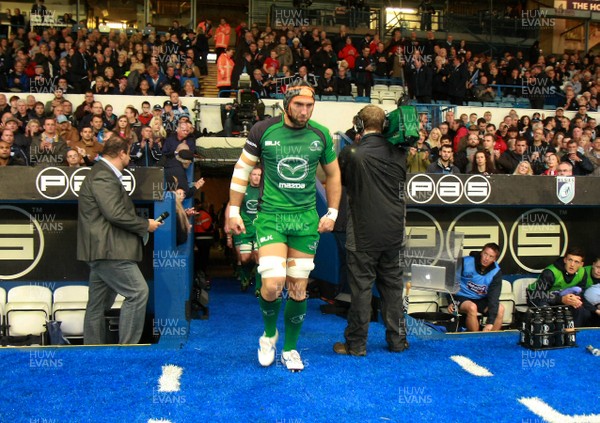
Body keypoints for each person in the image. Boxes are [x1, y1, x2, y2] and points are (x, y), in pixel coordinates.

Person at [228, 80, 341, 372]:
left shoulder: (321, 134)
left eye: (309, 105)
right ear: (286, 103)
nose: (304, 111)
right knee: (272, 285)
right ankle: (269, 335)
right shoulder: (262, 130)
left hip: (305, 220)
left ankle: (290, 348)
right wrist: (233, 210)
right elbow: (242, 169)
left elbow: (334, 174)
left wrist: (332, 212)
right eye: (299, 105)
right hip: (272, 218)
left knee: (298, 289)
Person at [333, 105, 408, 356]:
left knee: (361, 291)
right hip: (394, 233)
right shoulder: (400, 154)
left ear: (359, 125)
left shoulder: (351, 153)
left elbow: (335, 180)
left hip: (363, 234)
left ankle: (356, 345)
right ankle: (398, 342)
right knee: (393, 291)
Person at [77, 135, 163, 344]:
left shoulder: (104, 174)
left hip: (103, 249)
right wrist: (145, 225)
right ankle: (127, 349)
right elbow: (114, 213)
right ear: (121, 153)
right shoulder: (103, 176)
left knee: (98, 304)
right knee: (138, 293)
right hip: (109, 250)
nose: (131, 157)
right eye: (129, 152)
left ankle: (92, 352)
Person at [528, 247, 593, 327]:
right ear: (565, 260)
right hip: (536, 296)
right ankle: (549, 336)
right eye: (570, 260)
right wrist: (561, 299)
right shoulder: (550, 272)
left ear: (581, 264)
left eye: (576, 262)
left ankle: (572, 335)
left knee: (584, 312)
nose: (572, 264)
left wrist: (574, 298)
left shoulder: (582, 272)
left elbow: (581, 290)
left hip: (563, 298)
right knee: (547, 312)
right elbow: (538, 294)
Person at [447, 243, 505, 332]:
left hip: (481, 299)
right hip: (461, 297)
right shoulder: (465, 262)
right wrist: (451, 301)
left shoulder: (496, 271)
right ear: (481, 253)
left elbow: (494, 296)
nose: (486, 258)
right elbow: (449, 280)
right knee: (472, 307)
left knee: (500, 309)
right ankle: (476, 339)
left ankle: (491, 339)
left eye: (491, 256)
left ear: (494, 259)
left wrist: (490, 322)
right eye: (485, 254)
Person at [228, 167, 262, 292]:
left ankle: (259, 288)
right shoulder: (243, 190)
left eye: (259, 175)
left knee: (259, 256)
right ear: (249, 176)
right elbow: (232, 205)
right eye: (254, 174)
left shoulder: (265, 190)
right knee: (244, 258)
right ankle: (245, 276)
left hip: (260, 229)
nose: (257, 177)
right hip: (245, 229)